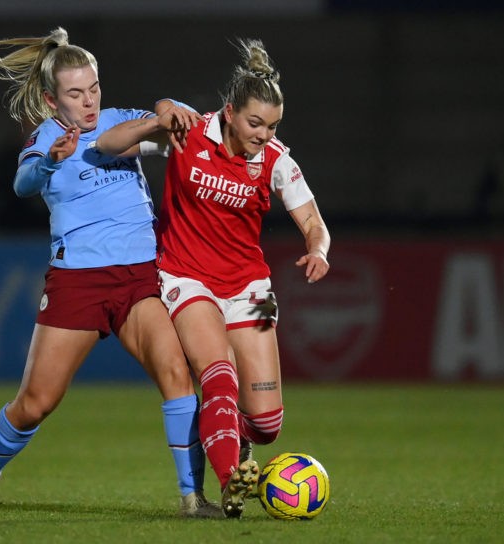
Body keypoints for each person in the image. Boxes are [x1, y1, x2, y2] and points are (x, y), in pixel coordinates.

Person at [0, 27, 220, 518]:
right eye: (75, 93)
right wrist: (49, 163)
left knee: (177, 375)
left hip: (139, 278)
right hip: (78, 280)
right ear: (51, 98)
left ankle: (193, 497)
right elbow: (23, 184)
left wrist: (168, 107)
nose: (88, 101)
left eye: (94, 88)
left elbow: (146, 135)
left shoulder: (120, 121)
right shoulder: (44, 139)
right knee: (36, 403)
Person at [96, 38, 331, 518]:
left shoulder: (276, 159)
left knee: (267, 423)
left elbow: (313, 221)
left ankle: (237, 445)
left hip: (253, 290)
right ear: (229, 112)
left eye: (273, 126)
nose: (264, 134)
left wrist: (318, 250)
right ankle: (231, 482)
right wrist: (159, 117)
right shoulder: (189, 133)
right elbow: (107, 144)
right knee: (217, 376)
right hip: (187, 279)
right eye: (255, 123)